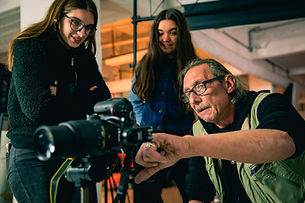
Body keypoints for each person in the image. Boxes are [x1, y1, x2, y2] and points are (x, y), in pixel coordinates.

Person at [134, 58, 305, 203]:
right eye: (187, 93)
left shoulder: (268, 104)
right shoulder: (198, 129)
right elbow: (198, 190)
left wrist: (187, 145)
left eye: (199, 87)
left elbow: (281, 142)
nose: (193, 100)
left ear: (229, 84)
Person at [6, 0, 111, 202]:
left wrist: (58, 93)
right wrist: (81, 96)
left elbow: (103, 100)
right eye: (75, 23)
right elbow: (38, 110)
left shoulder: (82, 56)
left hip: (71, 148)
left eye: (88, 28)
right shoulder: (29, 45)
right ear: (57, 16)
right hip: (32, 151)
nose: (81, 33)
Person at [129, 8, 197, 203]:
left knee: (193, 195)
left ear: (181, 34)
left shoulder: (192, 65)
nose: (165, 38)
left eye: (172, 32)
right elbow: (135, 100)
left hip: (183, 143)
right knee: (145, 197)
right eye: (160, 33)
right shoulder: (145, 65)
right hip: (150, 143)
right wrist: (146, 122)